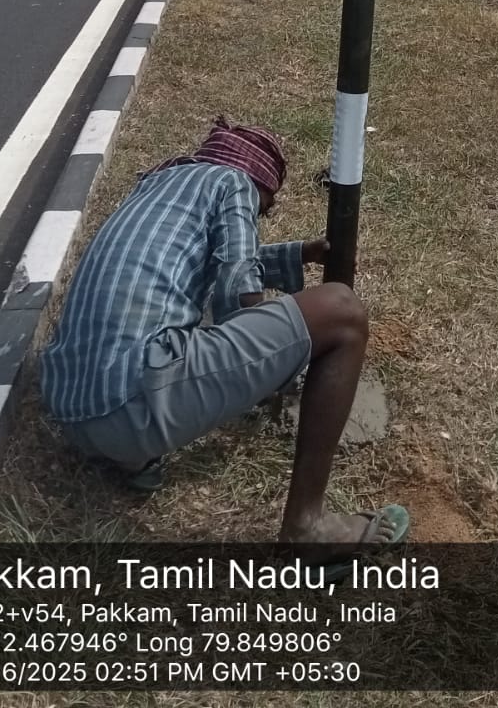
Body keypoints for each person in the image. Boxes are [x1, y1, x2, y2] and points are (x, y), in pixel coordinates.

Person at [39, 115, 408, 552]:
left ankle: (133, 460)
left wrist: (297, 255)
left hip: (72, 408)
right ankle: (308, 527)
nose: (260, 217)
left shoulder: (159, 183)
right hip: (129, 404)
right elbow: (237, 291)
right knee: (341, 311)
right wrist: (279, 367)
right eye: (263, 210)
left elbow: (198, 264)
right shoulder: (234, 184)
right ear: (257, 184)